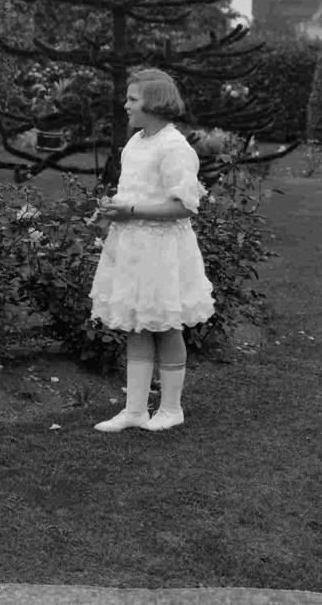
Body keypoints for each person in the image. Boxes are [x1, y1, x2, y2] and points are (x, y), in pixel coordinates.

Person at [90, 68, 215, 433]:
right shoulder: (137, 142)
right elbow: (135, 191)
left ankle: (172, 408)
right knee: (138, 322)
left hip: (162, 248)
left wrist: (130, 211)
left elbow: (185, 206)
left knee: (166, 325)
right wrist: (110, 211)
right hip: (133, 245)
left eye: (132, 100)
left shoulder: (175, 148)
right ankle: (135, 409)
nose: (125, 105)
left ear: (155, 104)